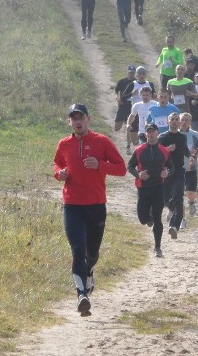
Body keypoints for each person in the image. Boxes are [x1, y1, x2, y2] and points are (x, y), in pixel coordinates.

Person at [53, 103, 126, 313]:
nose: (77, 121)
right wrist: (59, 174)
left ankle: (90, 270)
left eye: (81, 117)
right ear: (69, 122)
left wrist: (100, 165)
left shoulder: (101, 142)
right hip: (72, 206)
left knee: (91, 253)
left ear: (88, 119)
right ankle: (81, 295)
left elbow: (121, 169)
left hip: (95, 206)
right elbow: (57, 164)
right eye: (73, 118)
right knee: (77, 249)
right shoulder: (64, 144)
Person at [127, 123, 174, 258]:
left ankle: (158, 247)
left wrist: (168, 173)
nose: (151, 134)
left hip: (158, 187)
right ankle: (149, 218)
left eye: (153, 131)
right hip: (143, 187)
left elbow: (172, 167)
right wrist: (138, 174)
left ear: (157, 133)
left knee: (158, 218)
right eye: (149, 132)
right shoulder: (139, 150)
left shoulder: (164, 151)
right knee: (143, 218)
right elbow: (130, 166)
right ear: (146, 134)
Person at [158, 113, 189, 238]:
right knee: (165, 200)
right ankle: (171, 209)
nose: (175, 121)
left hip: (178, 171)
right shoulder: (162, 137)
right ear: (168, 121)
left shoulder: (182, 137)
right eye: (172, 119)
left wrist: (191, 156)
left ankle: (174, 226)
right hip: (165, 172)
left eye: (177, 120)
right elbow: (156, 153)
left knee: (178, 197)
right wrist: (167, 149)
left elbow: (184, 150)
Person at [179, 112, 198, 219]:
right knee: (178, 195)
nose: (184, 122)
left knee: (190, 192)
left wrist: (196, 152)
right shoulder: (173, 134)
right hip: (177, 169)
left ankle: (192, 202)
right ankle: (179, 216)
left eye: (187, 120)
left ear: (190, 122)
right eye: (182, 120)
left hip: (191, 168)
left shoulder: (195, 135)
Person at [114, 65, 136, 153]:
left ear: (135, 73)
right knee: (116, 128)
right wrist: (118, 99)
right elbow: (116, 92)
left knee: (129, 127)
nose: (131, 74)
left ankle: (128, 147)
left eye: (133, 73)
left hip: (131, 107)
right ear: (127, 72)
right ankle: (124, 125)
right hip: (122, 106)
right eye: (130, 72)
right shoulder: (122, 81)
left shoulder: (136, 82)